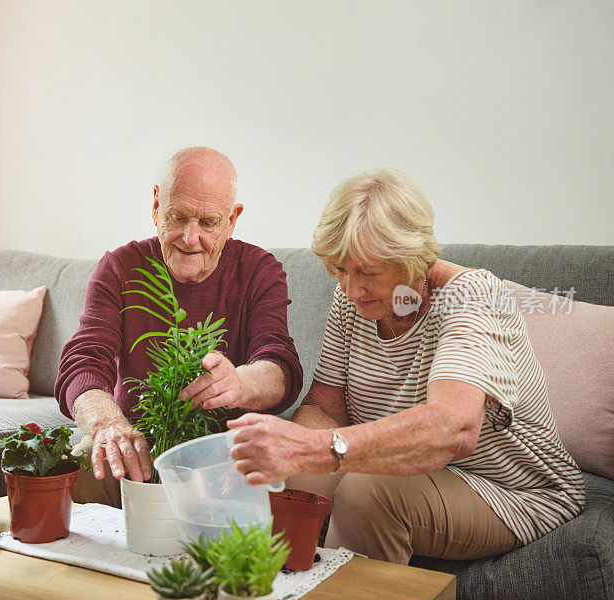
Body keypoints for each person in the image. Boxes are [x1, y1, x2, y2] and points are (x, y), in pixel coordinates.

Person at [227, 167, 585, 564]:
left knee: (366, 492)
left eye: (367, 272)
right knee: (291, 484)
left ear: (414, 258)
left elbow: (454, 427)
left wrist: (313, 447)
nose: (351, 288)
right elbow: (326, 407)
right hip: (406, 471)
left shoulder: (471, 296)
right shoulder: (352, 300)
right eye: (341, 269)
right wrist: (290, 460)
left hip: (509, 490)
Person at [55, 147, 303, 507]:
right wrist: (107, 423)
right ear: (156, 206)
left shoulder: (259, 271)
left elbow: (281, 365)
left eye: (208, 222)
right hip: (138, 445)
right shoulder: (119, 268)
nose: (190, 237)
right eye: (178, 216)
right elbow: (85, 361)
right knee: (86, 459)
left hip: (226, 455)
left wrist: (240, 382)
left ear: (232, 220)